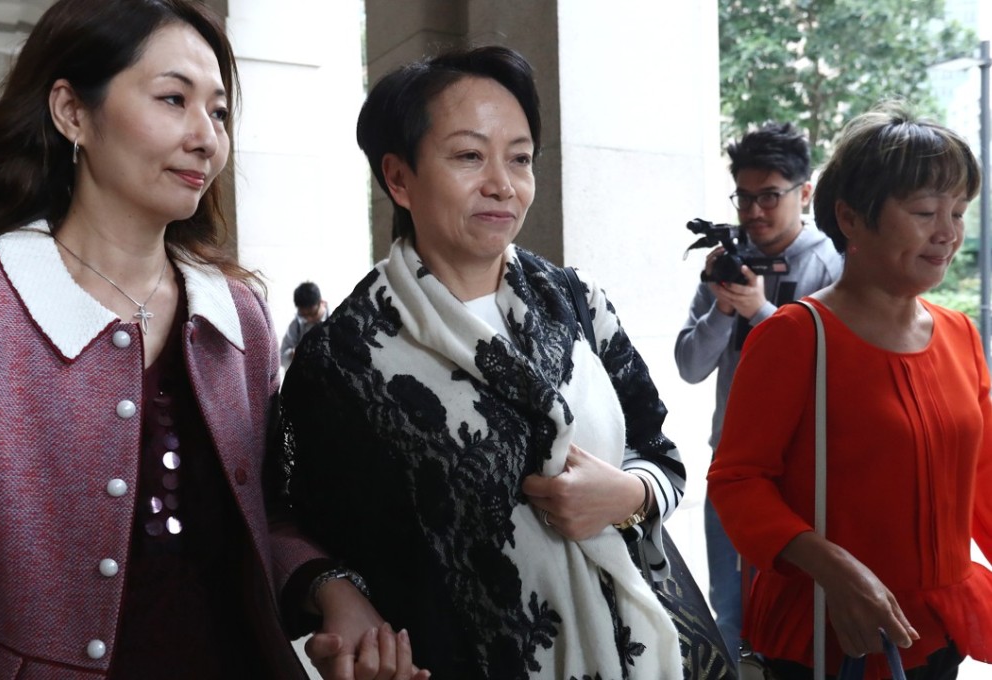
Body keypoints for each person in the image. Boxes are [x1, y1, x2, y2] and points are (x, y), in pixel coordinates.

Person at [0, 1, 423, 678]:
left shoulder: (236, 316)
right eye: (173, 99)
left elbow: (266, 510)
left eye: (218, 112)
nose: (206, 137)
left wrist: (334, 592)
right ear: (71, 112)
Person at [275, 45, 687, 680]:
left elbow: (661, 455)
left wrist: (626, 495)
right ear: (399, 178)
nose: (503, 184)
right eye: (469, 156)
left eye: (519, 159)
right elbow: (294, 521)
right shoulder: (344, 358)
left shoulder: (576, 303)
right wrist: (337, 593)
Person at [707, 103, 992, 679]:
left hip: (937, 629)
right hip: (833, 636)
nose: (948, 234)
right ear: (852, 216)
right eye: (924, 212)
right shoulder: (795, 336)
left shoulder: (959, 333)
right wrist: (831, 566)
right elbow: (737, 482)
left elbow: (983, 472)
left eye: (958, 212)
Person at [674, 122, 842, 661]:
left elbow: (833, 371)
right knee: (728, 613)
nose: (754, 212)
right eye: (744, 197)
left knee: (799, 618)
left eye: (769, 196)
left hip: (804, 474)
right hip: (732, 465)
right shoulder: (729, 259)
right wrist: (724, 307)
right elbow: (689, 365)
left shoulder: (831, 264)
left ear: (805, 193)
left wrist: (762, 313)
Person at [281, 281, 330, 369]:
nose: (309, 318)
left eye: (312, 313)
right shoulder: (297, 325)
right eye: (304, 315)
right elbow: (282, 357)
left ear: (321, 302)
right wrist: (293, 354)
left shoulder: (336, 319)